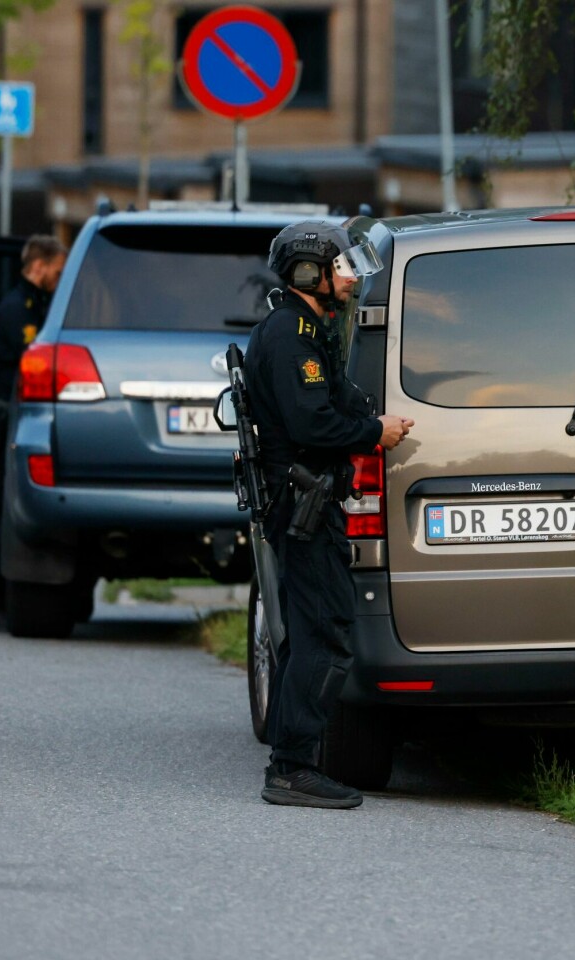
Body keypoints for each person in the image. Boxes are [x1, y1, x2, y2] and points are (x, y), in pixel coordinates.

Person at [244, 221, 413, 809]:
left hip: (307, 502)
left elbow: (334, 396)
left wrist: (373, 411)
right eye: (340, 267)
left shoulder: (308, 326)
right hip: (303, 507)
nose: (349, 277)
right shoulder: (290, 333)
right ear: (308, 272)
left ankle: (295, 762)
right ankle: (291, 769)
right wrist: (375, 432)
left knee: (310, 634)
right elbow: (312, 423)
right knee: (327, 634)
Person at [0, 235, 67, 632]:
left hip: (14, 424)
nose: (59, 278)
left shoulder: (37, 306)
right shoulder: (16, 312)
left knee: (4, 512)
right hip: (1, 426)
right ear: (40, 265)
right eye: (57, 271)